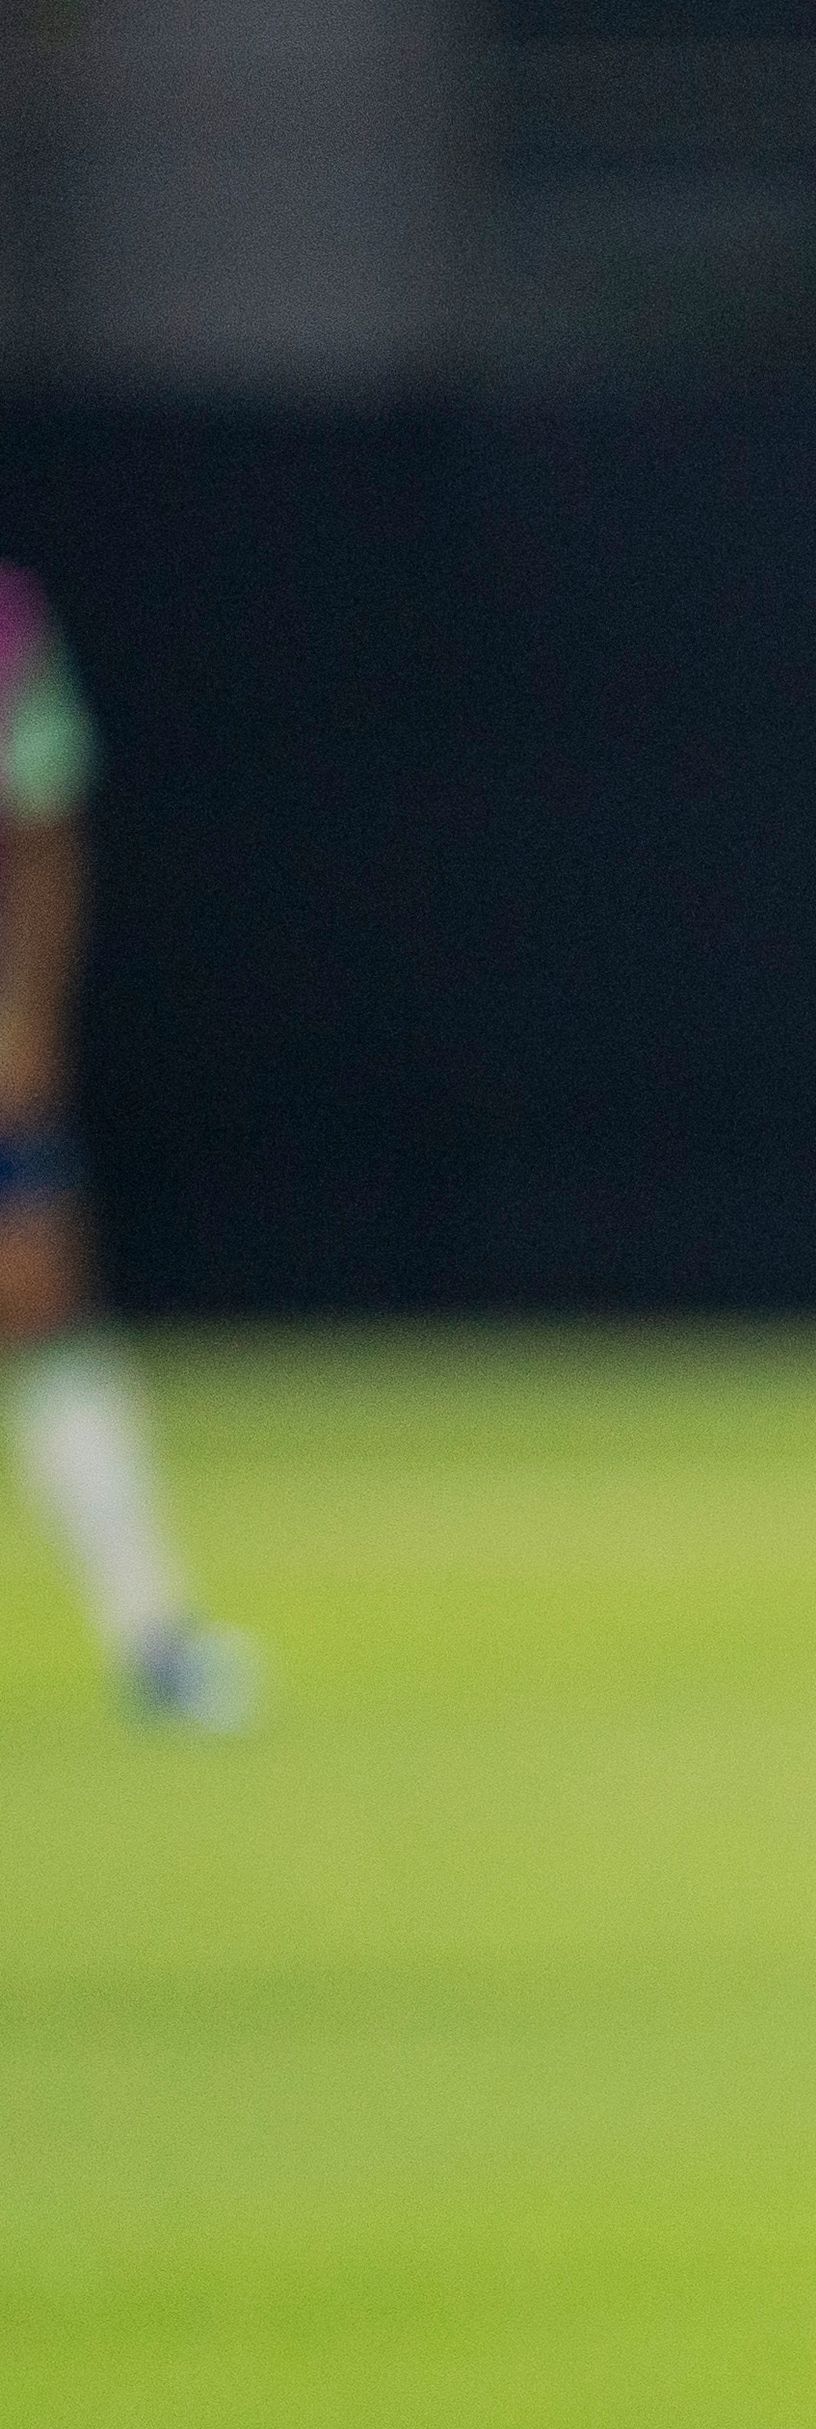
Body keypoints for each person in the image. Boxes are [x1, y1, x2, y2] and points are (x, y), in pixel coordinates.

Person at [0, 561, 247, 1733]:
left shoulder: (6, 622)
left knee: (42, 1289)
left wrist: (26, 1018)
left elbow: (44, 831)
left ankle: (151, 1633)